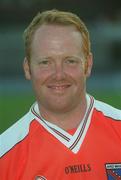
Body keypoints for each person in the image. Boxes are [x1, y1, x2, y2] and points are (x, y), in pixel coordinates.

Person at [0, 9, 121, 180]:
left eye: (70, 61)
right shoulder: (4, 154)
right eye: (45, 62)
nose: (58, 74)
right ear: (27, 68)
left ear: (88, 64)